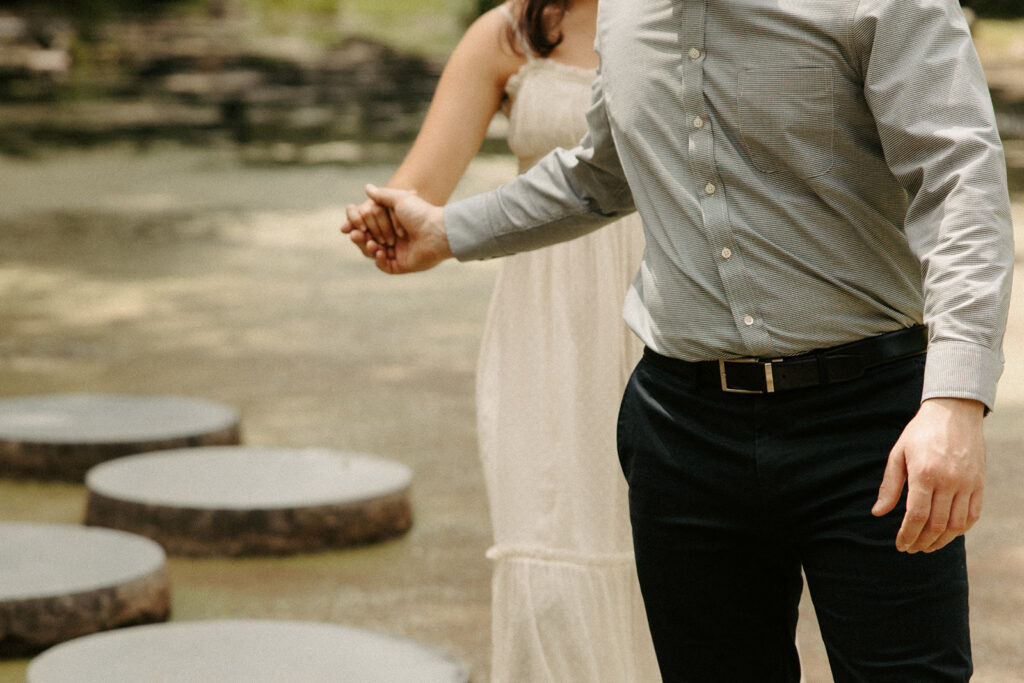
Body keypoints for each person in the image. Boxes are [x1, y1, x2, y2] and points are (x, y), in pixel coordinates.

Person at [345, 0, 1015, 681]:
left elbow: (961, 184)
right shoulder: (624, 13)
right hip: (681, 432)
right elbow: (601, 172)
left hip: (871, 427)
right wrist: (448, 230)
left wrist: (956, 399)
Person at [340, 2, 660, 681]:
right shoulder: (510, 31)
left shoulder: (687, 16)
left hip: (666, 310)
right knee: (546, 566)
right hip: (547, 324)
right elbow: (419, 190)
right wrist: (381, 216)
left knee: (668, 563)